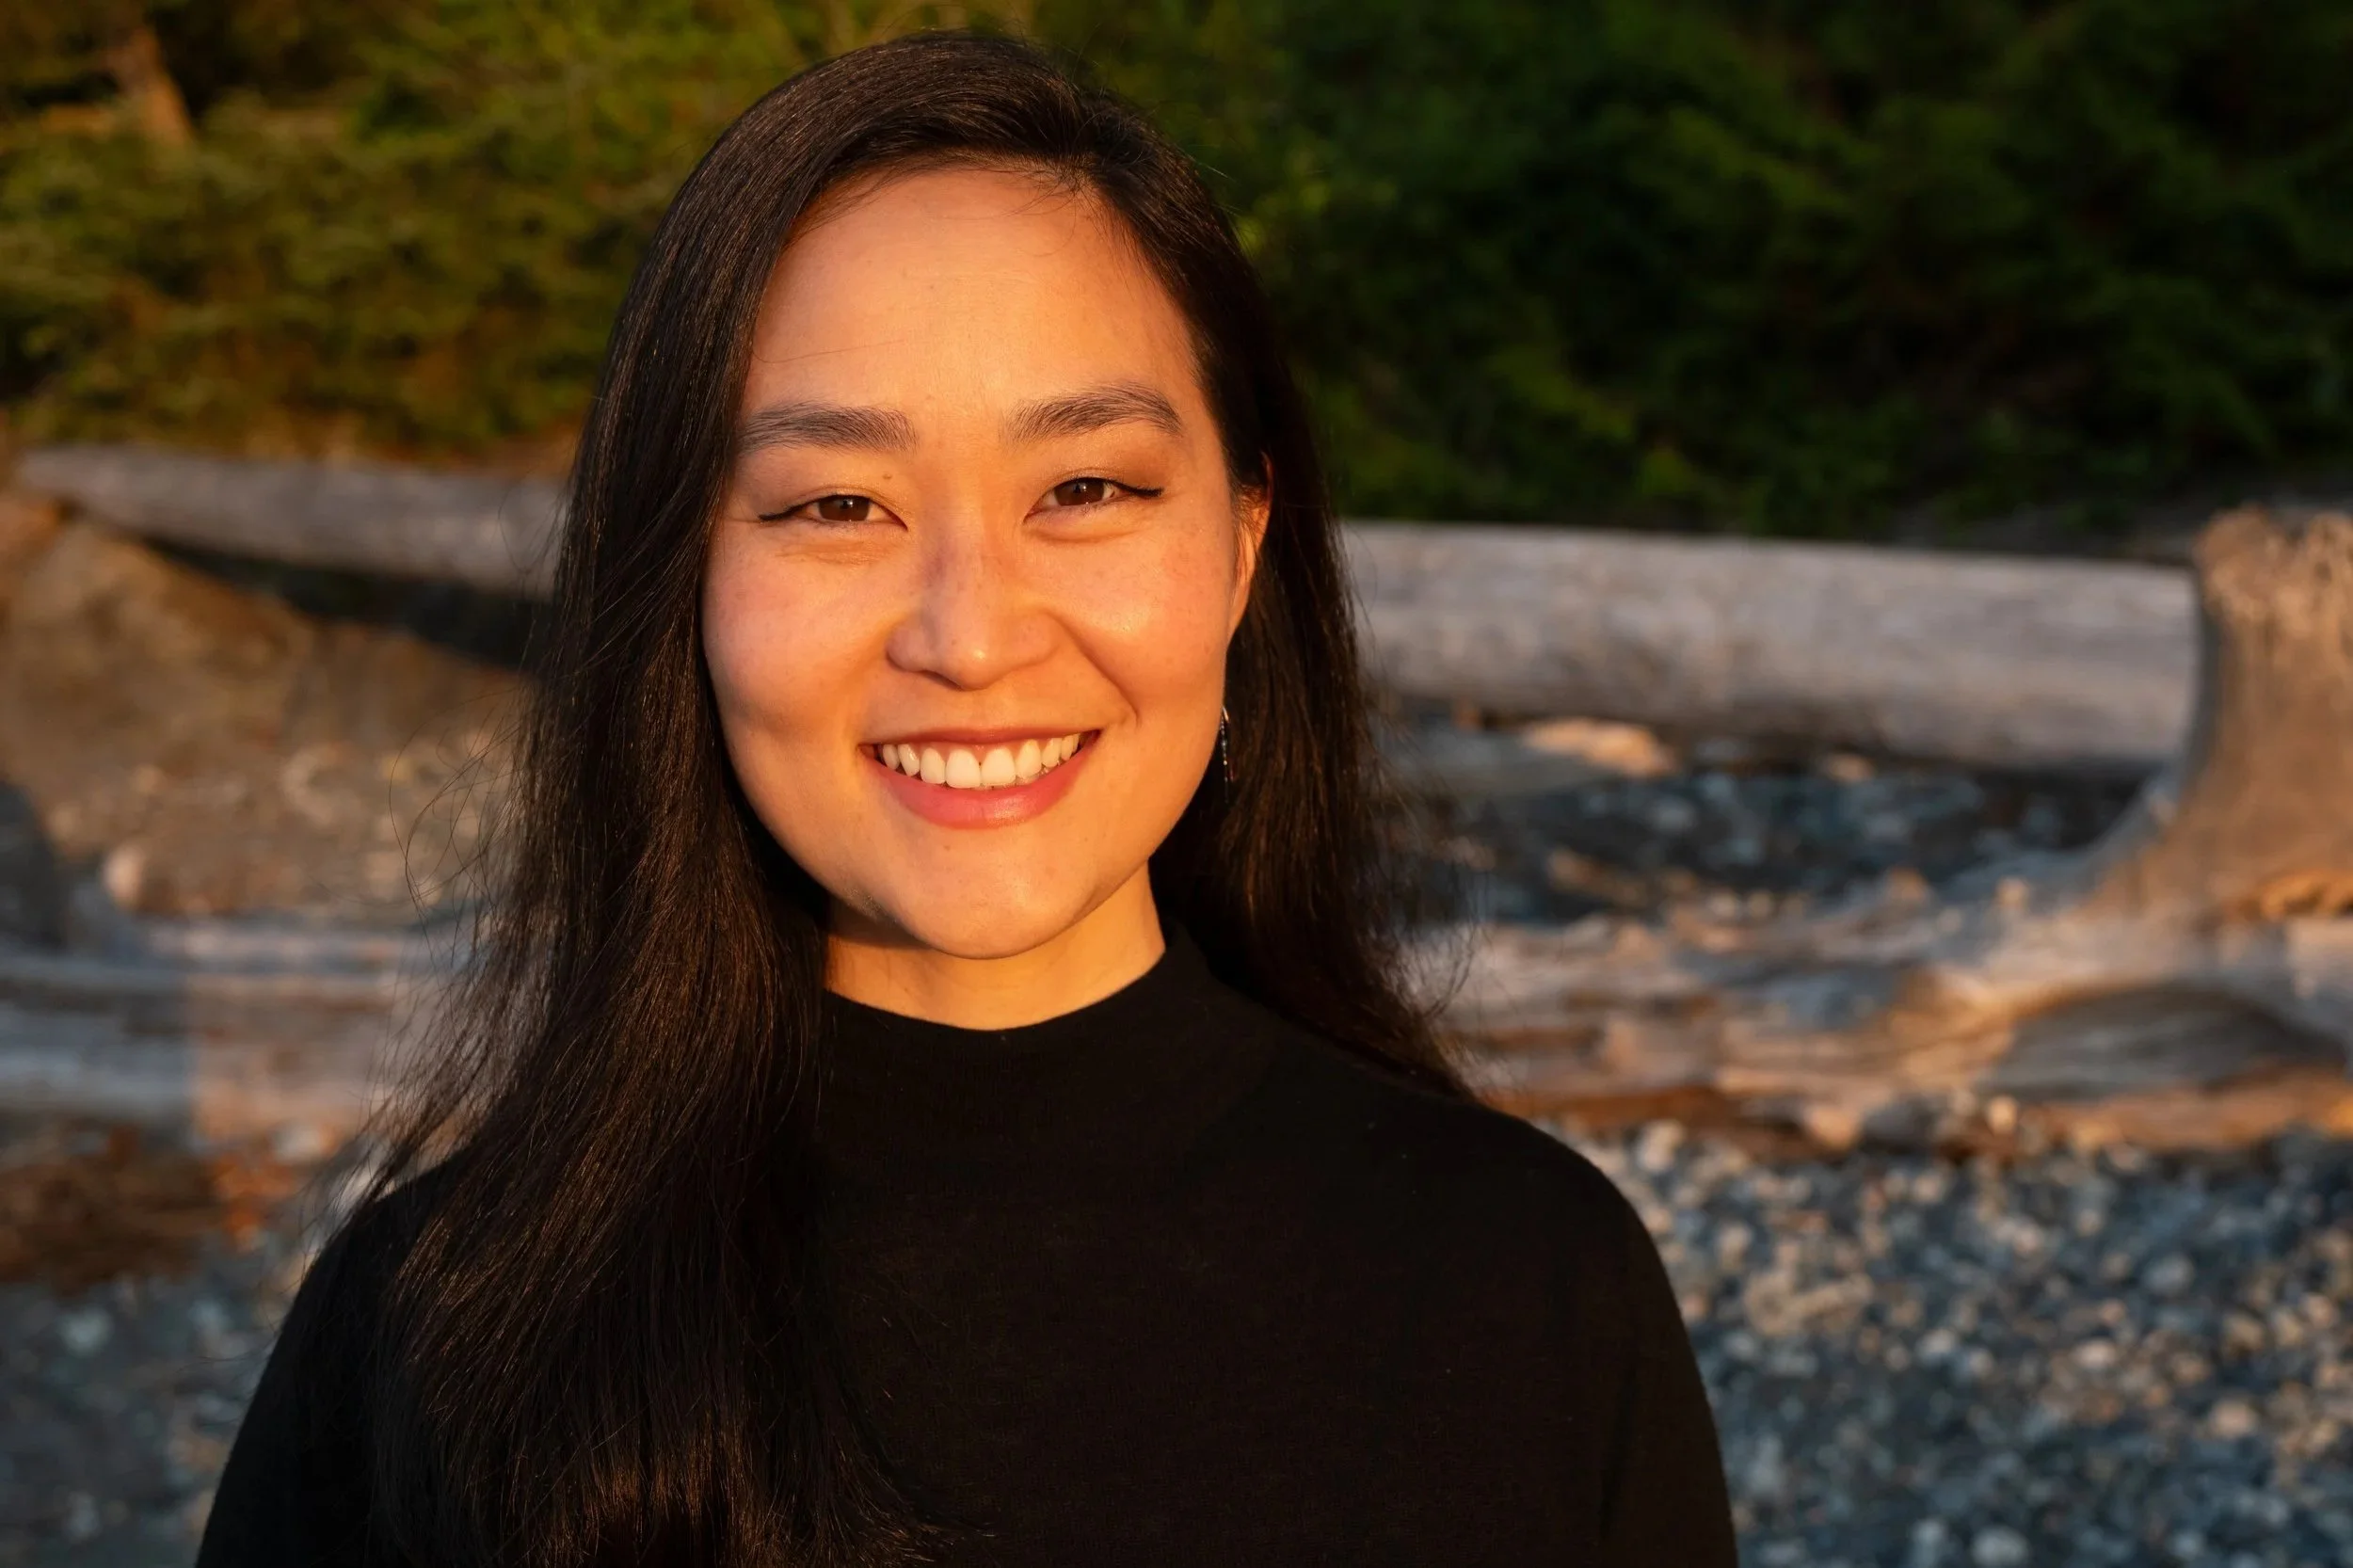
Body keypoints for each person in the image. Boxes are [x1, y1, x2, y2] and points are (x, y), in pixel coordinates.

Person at [198, 31, 1736, 1568]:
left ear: (1245, 538)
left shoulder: (1532, 1284)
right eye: (836, 506)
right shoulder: (443, 1330)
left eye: (1086, 490)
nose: (971, 635)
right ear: (681, 577)